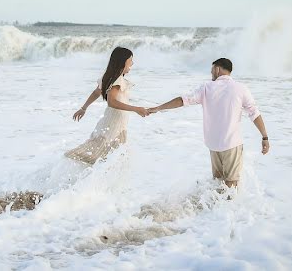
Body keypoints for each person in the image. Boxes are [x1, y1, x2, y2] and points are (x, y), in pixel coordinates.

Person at [150, 58, 269, 188]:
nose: (211, 73)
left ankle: (214, 208)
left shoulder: (206, 87)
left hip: (213, 145)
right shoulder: (240, 88)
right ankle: (228, 208)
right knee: (231, 184)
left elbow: (182, 100)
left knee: (217, 182)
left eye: (212, 70)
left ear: (218, 69)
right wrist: (265, 137)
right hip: (231, 143)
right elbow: (254, 113)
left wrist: (158, 108)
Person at [65, 46, 150, 164]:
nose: (132, 63)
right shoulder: (117, 80)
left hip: (116, 124)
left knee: (110, 159)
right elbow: (112, 102)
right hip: (114, 124)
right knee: (102, 156)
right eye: (130, 60)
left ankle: (97, 180)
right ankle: (70, 165)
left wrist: (83, 108)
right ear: (122, 61)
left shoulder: (110, 77)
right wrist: (136, 109)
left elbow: (96, 92)